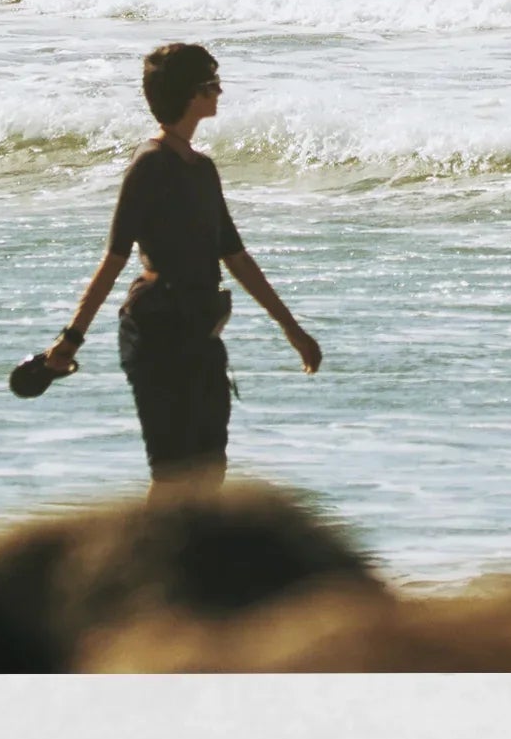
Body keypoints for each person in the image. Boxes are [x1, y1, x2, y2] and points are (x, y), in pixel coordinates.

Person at [33, 42, 322, 487]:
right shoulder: (149, 165)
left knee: (209, 476)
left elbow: (236, 257)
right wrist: (71, 339)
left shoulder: (202, 168)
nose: (220, 91)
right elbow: (114, 258)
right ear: (191, 95)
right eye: (211, 84)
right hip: (156, 335)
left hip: (202, 336)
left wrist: (291, 328)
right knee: (173, 479)